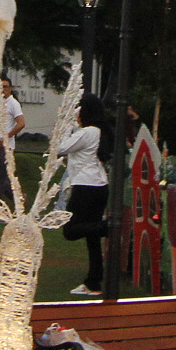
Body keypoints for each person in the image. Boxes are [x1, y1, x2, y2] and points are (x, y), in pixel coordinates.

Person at [56, 94, 111, 296]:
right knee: (92, 238)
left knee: (70, 230)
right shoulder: (98, 132)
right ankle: (93, 283)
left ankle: (107, 227)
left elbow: (60, 148)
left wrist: (65, 127)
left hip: (85, 186)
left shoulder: (88, 132)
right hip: (99, 185)